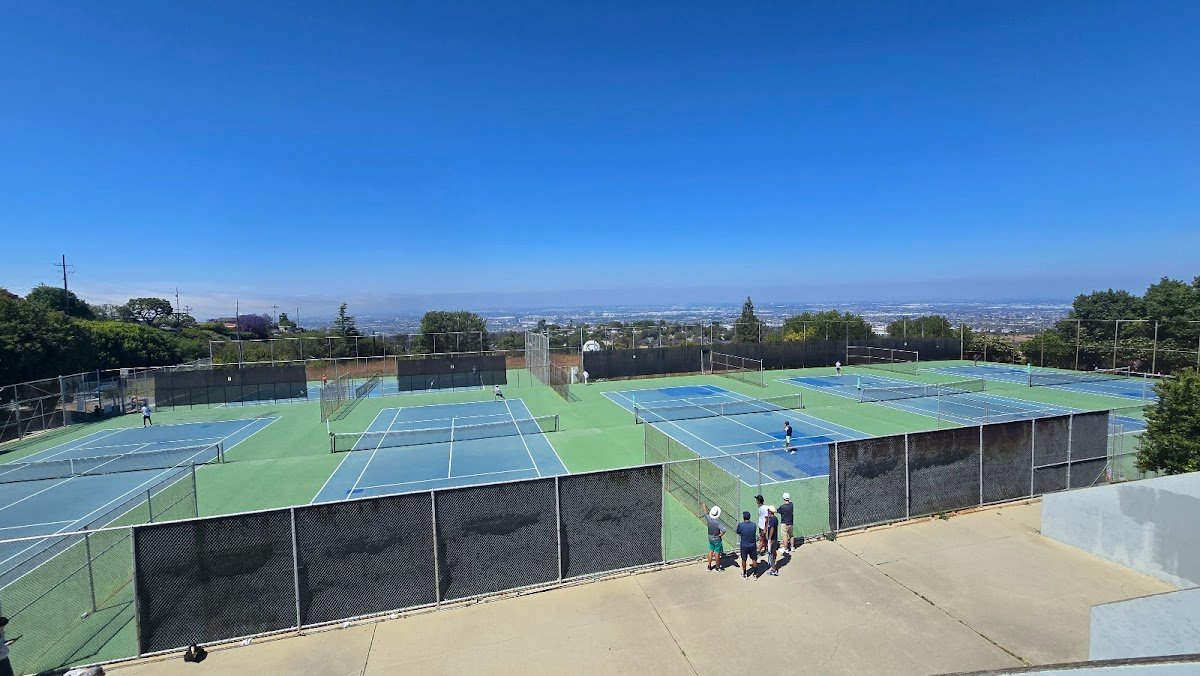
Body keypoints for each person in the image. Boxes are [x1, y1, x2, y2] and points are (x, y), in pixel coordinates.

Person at [701, 503, 725, 572]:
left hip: (710, 537)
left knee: (710, 551)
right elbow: (724, 530)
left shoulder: (708, 519)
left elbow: (705, 513)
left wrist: (704, 505)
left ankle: (709, 566)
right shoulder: (718, 522)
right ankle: (717, 567)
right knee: (717, 553)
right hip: (717, 538)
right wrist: (721, 534)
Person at [735, 511, 758, 579]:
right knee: (754, 559)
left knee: (744, 559)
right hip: (753, 545)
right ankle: (755, 574)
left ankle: (745, 573)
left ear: (743, 517)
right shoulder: (754, 525)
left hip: (744, 546)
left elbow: (738, 532)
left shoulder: (741, 525)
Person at [764, 506, 780, 576]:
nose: (767, 511)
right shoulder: (774, 518)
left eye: (768, 510)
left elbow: (772, 529)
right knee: (773, 553)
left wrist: (769, 538)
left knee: (771, 555)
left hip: (772, 539)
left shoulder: (773, 520)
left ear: (770, 511)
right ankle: (773, 567)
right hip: (774, 539)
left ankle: (774, 570)